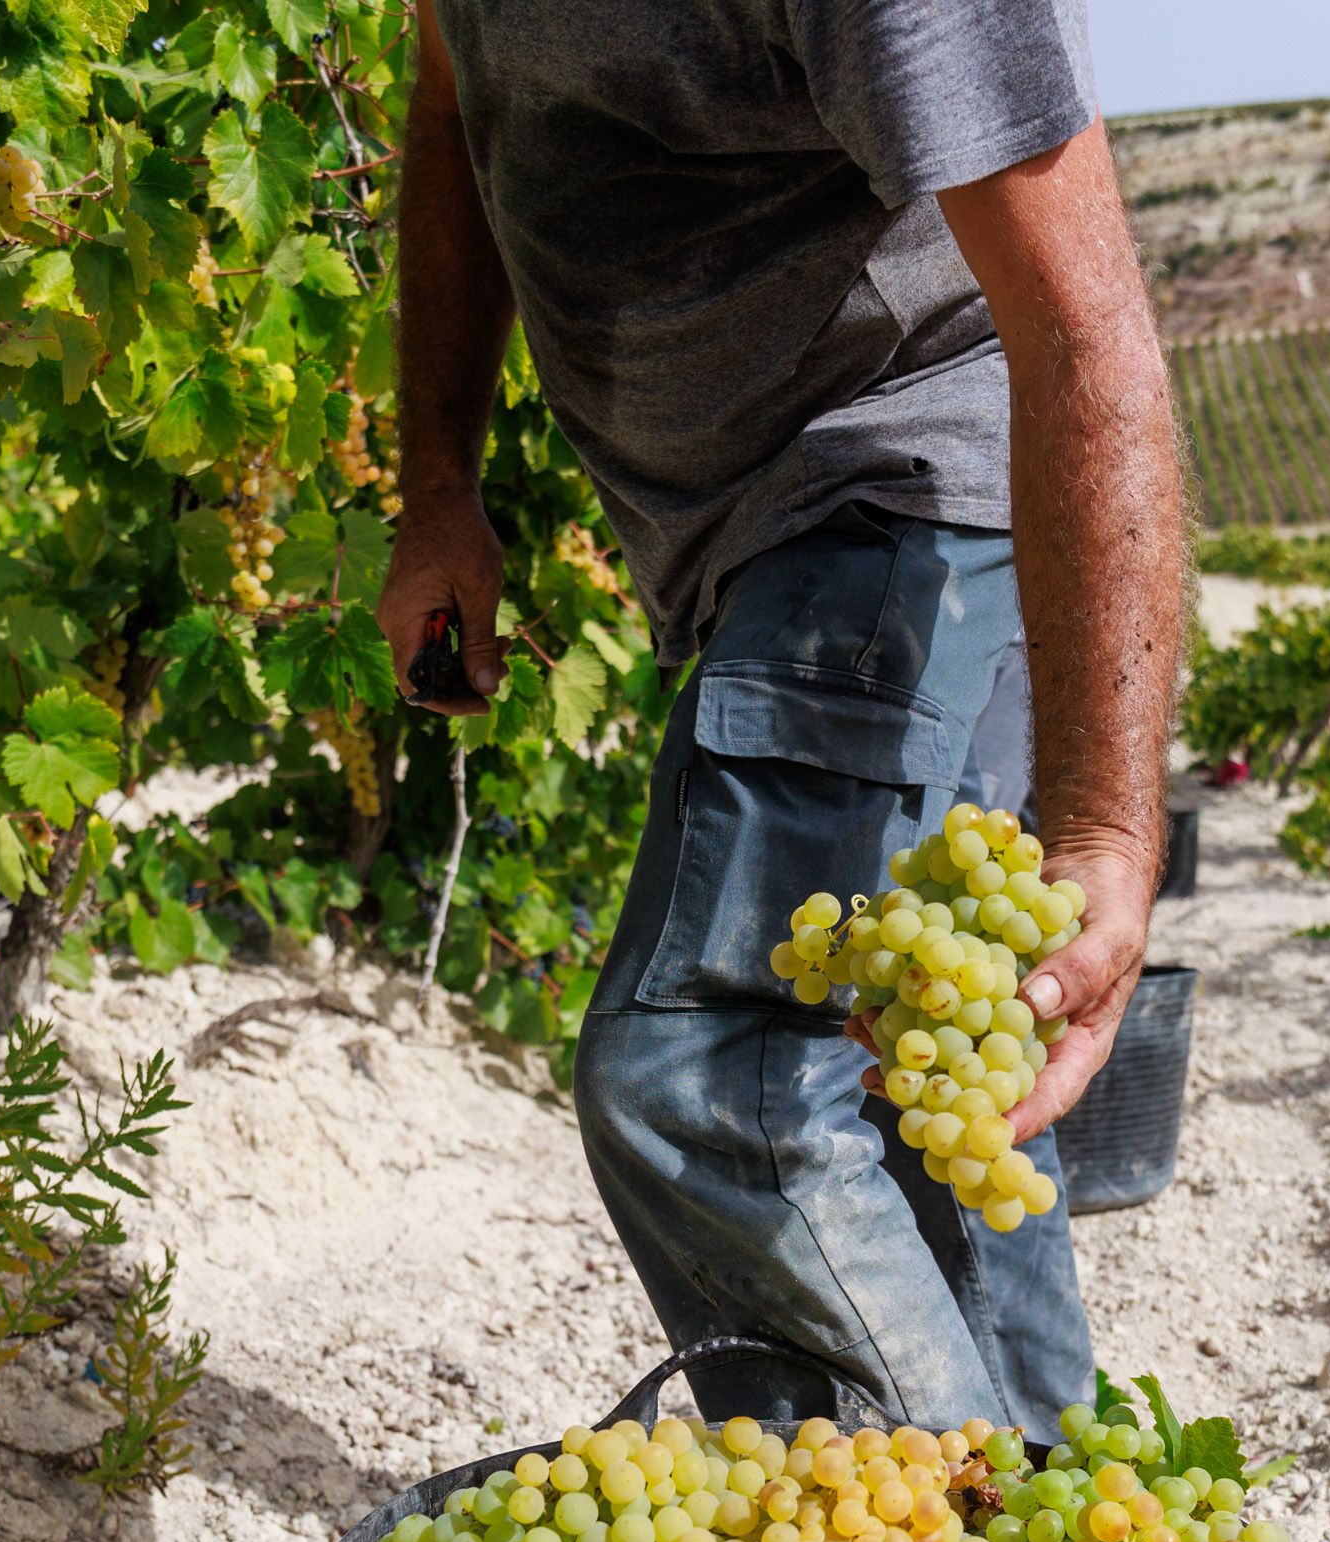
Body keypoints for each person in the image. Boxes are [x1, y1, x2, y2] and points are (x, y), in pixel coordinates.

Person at [376, 0, 1184, 1433]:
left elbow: (1087, 328)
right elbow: (456, 102)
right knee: (920, 1075)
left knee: (711, 1083)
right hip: (752, 536)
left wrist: (1112, 829)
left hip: (894, 491)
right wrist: (439, 481)